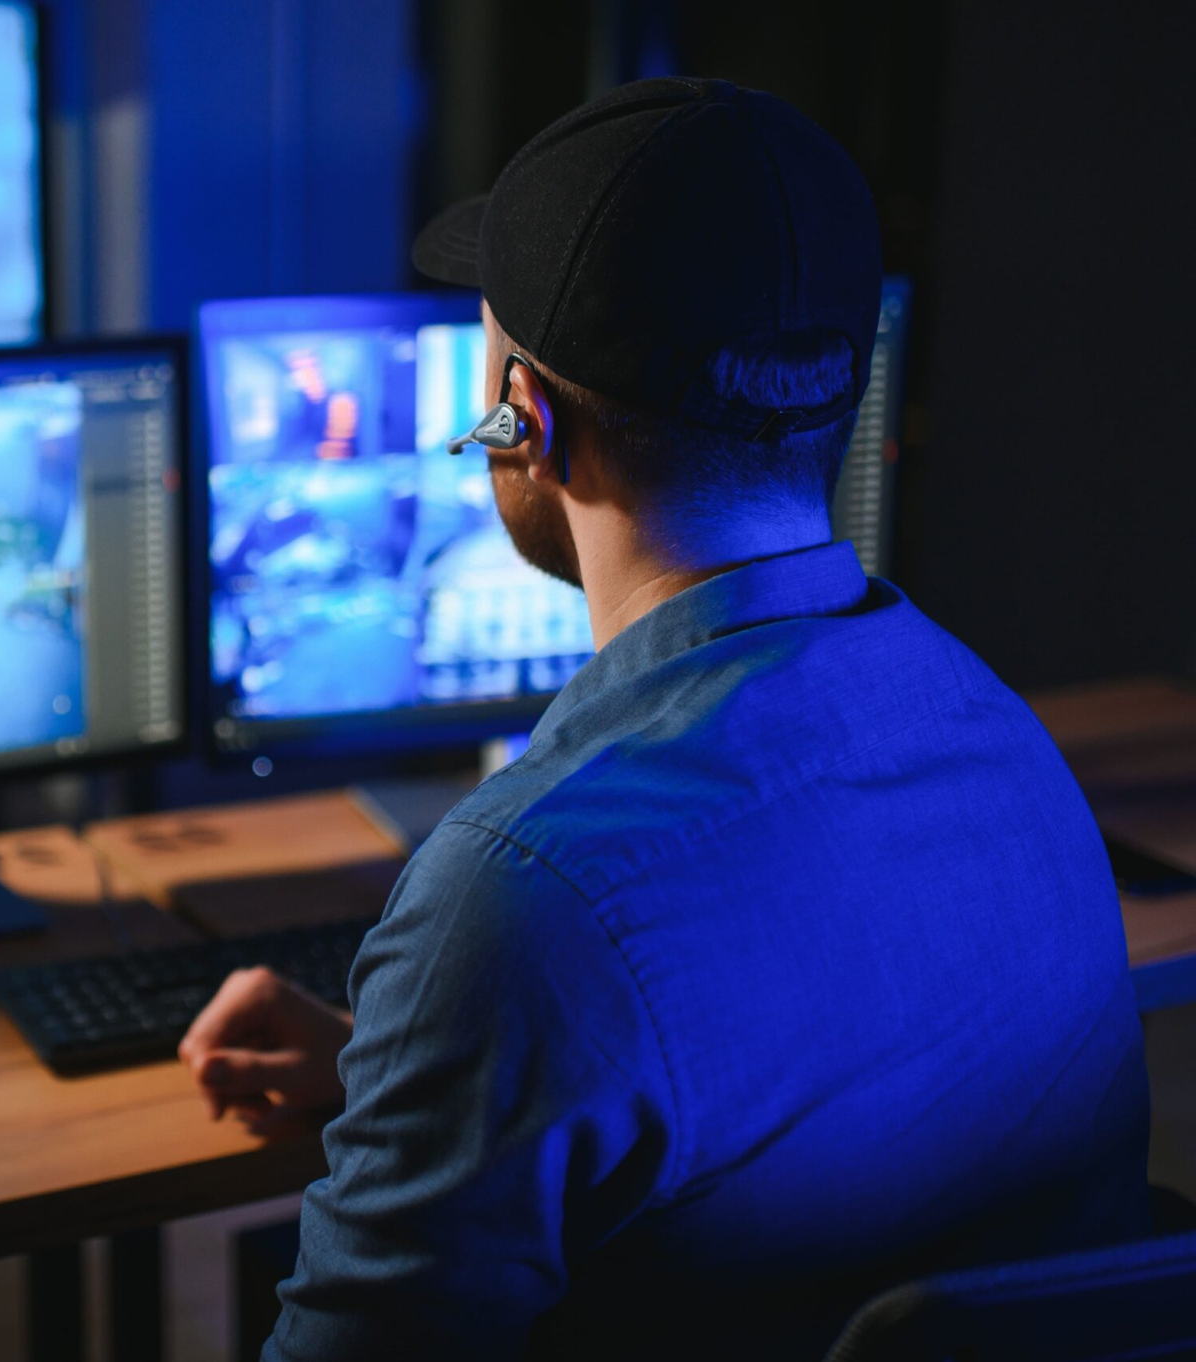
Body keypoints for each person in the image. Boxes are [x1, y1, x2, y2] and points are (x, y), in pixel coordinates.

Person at [178, 77, 1150, 1361]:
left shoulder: (522, 895)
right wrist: (427, 1076)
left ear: (521, 418)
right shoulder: (998, 736)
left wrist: (472, 1019)